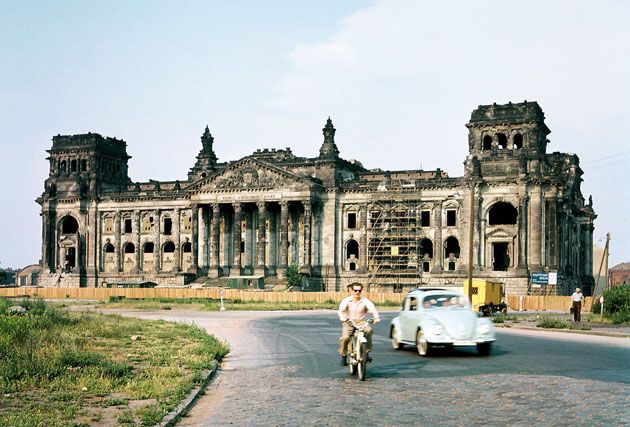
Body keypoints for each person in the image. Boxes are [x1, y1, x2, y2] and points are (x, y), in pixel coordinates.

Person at [338, 284, 380, 366]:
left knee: (369, 330)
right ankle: (343, 356)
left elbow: (373, 309)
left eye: (359, 290)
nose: (357, 292)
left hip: (361, 321)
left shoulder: (365, 301)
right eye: (355, 290)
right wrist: (342, 317)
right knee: (345, 338)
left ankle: (366, 352)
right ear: (351, 291)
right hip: (349, 321)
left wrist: (376, 317)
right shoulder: (347, 300)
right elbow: (340, 310)